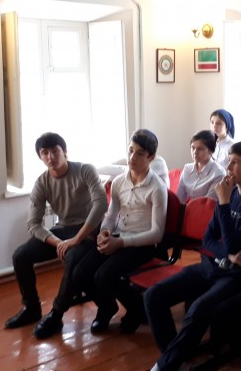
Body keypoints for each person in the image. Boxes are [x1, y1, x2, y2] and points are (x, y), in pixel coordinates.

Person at [145, 141, 241, 371]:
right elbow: (208, 239)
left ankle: (164, 366)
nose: (229, 167)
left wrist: (223, 204)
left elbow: (234, 247)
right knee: (153, 295)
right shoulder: (230, 193)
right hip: (212, 265)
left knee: (199, 309)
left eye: (235, 162)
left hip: (237, 277)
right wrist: (227, 254)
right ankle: (173, 355)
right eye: (229, 161)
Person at [34, 129, 167, 338]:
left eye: (140, 153)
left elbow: (157, 234)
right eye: (130, 150)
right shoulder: (119, 182)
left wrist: (119, 243)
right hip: (118, 238)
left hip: (142, 245)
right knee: (79, 273)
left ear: (151, 157)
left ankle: (136, 308)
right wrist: (105, 231)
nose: (132, 157)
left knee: (103, 276)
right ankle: (107, 306)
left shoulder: (157, 188)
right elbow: (111, 215)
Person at [5, 132, 109, 339]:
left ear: (65, 151)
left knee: (72, 257)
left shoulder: (85, 170)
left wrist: (76, 239)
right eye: (45, 153)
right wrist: (59, 242)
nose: (50, 157)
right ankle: (31, 308)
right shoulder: (42, 182)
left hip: (89, 229)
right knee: (21, 255)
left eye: (55, 151)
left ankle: (56, 314)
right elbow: (33, 224)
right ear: (40, 156)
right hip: (63, 230)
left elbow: (101, 205)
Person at [175, 130, 225, 203]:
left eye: (200, 149)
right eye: (193, 148)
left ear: (211, 151)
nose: (195, 152)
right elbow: (179, 198)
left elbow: (207, 203)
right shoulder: (187, 168)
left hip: (206, 209)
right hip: (187, 208)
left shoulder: (218, 174)